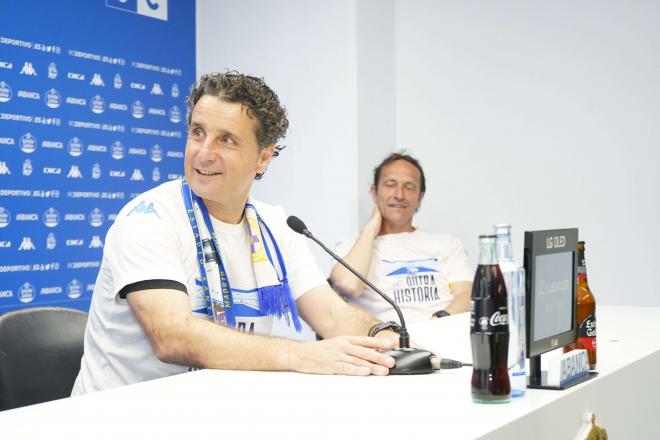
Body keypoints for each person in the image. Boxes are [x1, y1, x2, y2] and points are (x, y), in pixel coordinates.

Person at [72, 71, 398, 395]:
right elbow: (172, 336)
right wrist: (302, 354)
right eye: (197, 133)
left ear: (263, 157)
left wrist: (385, 336)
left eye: (226, 140)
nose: (204, 152)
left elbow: (331, 313)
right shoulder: (148, 219)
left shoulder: (275, 227)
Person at [329, 153, 473, 324]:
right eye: (390, 185)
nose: (399, 194)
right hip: (385, 344)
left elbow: (466, 295)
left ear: (420, 197)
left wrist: (439, 322)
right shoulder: (350, 247)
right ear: (374, 193)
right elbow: (348, 286)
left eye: (409, 187)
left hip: (443, 336)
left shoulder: (447, 244)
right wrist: (370, 229)